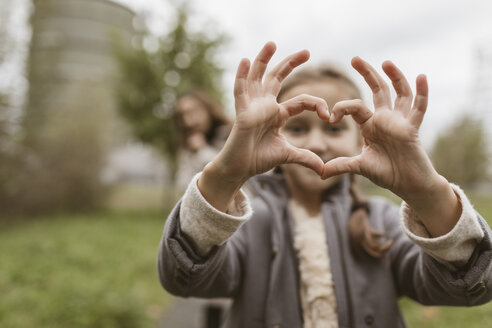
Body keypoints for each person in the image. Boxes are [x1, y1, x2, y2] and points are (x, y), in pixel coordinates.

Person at [157, 42, 492, 327]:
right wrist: (224, 178)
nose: (316, 144)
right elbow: (182, 277)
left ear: (362, 138)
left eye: (334, 129)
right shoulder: (248, 223)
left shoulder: (382, 221)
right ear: (270, 136)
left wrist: (429, 195)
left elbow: (472, 286)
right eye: (298, 128)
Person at [174, 89, 231, 192]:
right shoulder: (188, 145)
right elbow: (183, 185)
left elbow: (229, 175)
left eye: (192, 112)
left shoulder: (229, 135)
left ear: (207, 109)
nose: (187, 121)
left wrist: (202, 151)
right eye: (182, 116)